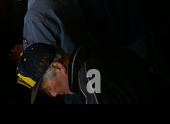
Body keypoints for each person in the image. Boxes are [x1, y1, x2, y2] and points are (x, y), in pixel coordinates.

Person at [16, 43, 170, 104]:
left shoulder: (90, 80)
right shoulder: (90, 54)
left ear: (57, 67)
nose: (55, 94)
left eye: (48, 89)